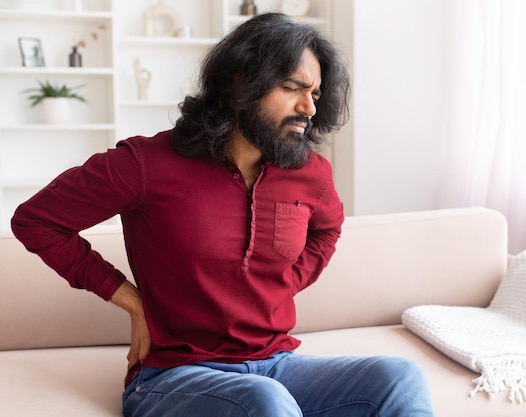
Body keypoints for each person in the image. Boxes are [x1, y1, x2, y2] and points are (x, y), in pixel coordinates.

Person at [11, 13, 435, 417]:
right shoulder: (146, 163)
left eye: (316, 93)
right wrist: (131, 300)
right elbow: (37, 220)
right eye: (294, 87)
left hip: (276, 365)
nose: (309, 107)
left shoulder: (310, 172)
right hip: (173, 376)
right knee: (264, 402)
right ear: (240, 84)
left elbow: (327, 229)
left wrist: (282, 282)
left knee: (399, 377)